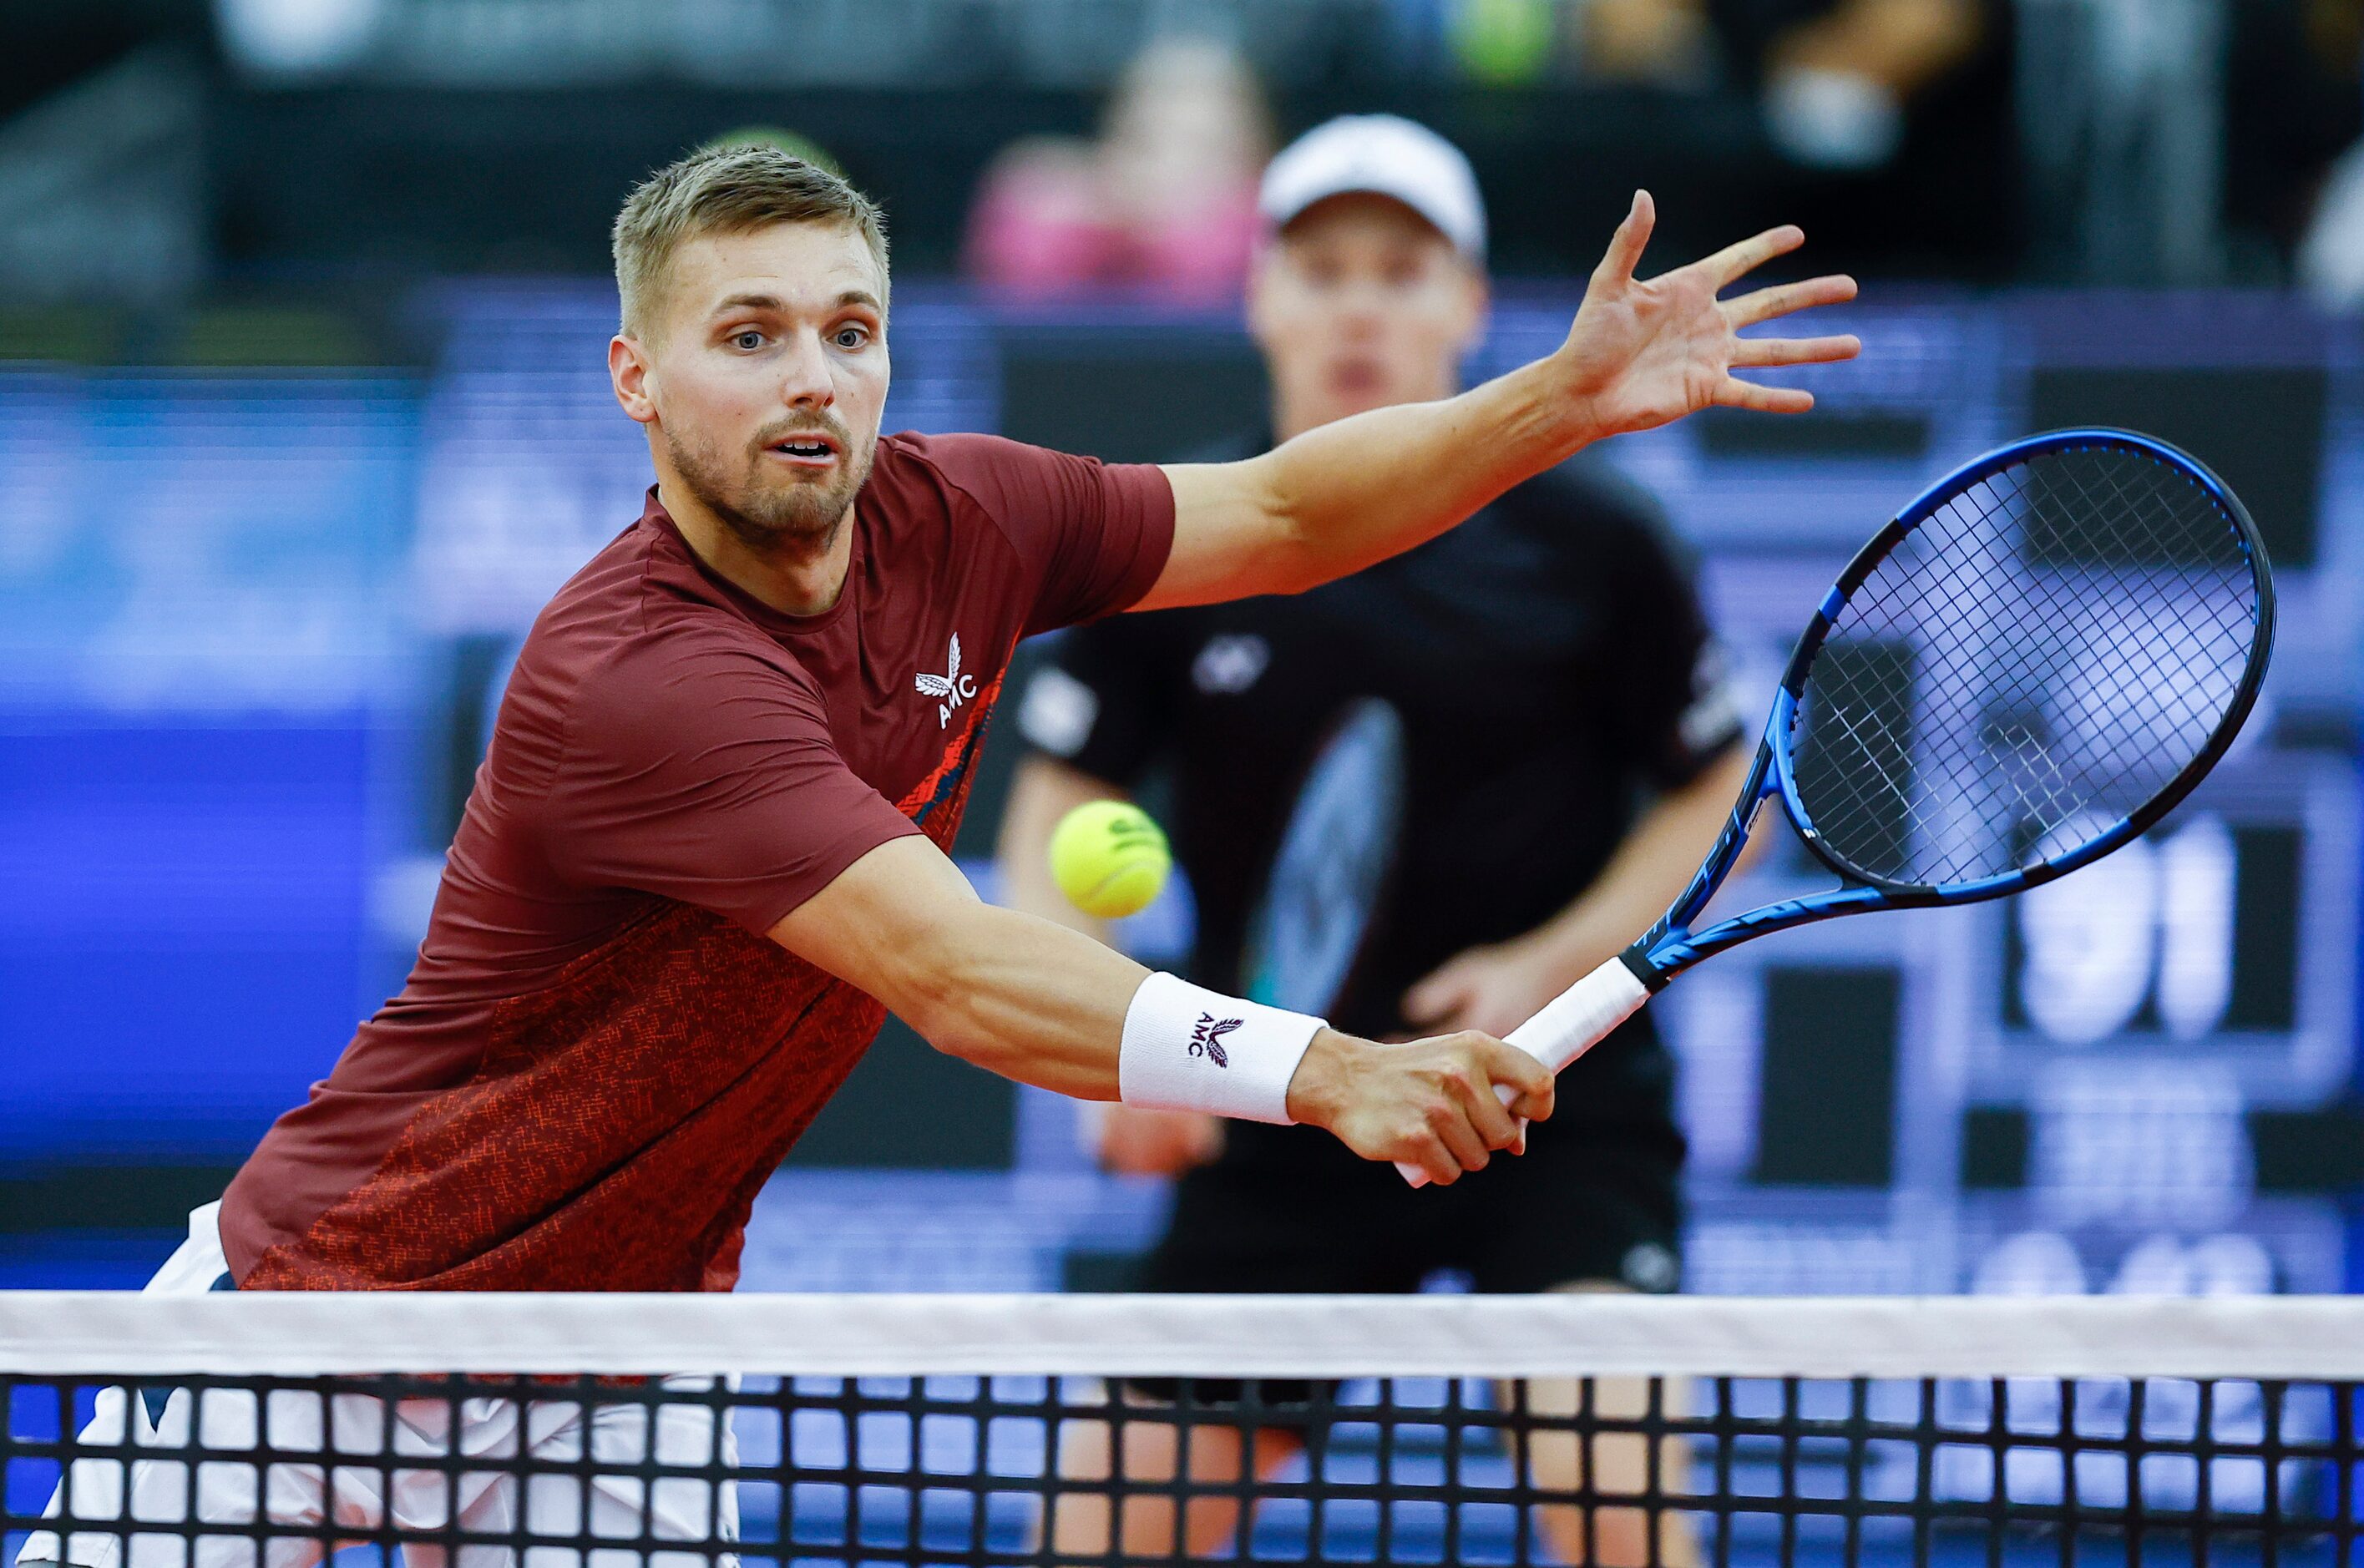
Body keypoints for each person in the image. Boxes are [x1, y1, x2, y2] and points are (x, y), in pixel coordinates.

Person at [20, 143, 1854, 1567]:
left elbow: (1288, 510)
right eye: (747, 337)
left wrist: (1552, 402)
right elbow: (961, 973)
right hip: (328, 1333)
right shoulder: (640, 675)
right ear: (637, 379)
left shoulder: (963, 515)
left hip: (625, 1355)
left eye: (848, 327)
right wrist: (1333, 1072)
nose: (811, 378)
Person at [999, 116, 1749, 1566]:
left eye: (1401, 272)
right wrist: (1117, 1048)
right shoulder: (1174, 536)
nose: (1358, 303)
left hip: (1549, 1098)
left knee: (1621, 1506)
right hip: (1279, 1094)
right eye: (1322, 266)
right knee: (1101, 1532)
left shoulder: (1597, 536)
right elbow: (1050, 804)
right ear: (1261, 295)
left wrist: (1549, 964)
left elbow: (1721, 785)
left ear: (1468, 304)